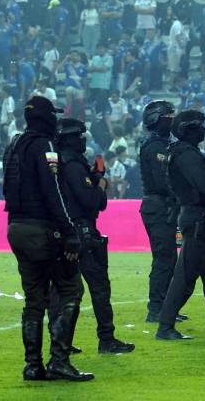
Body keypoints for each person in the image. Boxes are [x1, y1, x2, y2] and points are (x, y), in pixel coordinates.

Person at [3, 95, 93, 382]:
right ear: (46, 118)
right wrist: (69, 232)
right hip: (42, 229)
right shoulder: (45, 146)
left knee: (34, 299)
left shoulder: (14, 145)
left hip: (16, 226)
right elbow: (53, 191)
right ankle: (59, 360)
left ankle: (32, 365)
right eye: (53, 115)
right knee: (70, 290)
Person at [55, 118, 135, 354]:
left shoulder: (57, 163)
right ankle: (106, 338)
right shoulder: (73, 165)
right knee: (98, 286)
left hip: (63, 230)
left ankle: (61, 341)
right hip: (82, 230)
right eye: (80, 136)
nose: (83, 140)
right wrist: (99, 185)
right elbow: (91, 201)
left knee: (65, 290)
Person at [155, 110, 205, 341]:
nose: (203, 130)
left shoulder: (184, 153)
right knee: (185, 276)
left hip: (199, 218)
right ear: (188, 129)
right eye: (199, 126)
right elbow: (204, 184)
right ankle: (165, 326)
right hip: (197, 218)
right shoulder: (186, 154)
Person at [138, 100, 185, 323]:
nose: (172, 119)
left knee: (169, 258)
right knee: (164, 258)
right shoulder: (156, 146)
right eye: (169, 116)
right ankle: (156, 309)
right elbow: (161, 181)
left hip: (162, 206)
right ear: (157, 119)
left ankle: (165, 306)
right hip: (160, 207)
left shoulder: (162, 144)